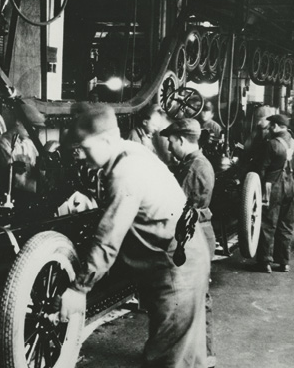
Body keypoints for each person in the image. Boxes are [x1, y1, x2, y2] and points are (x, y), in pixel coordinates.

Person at [59, 102, 210, 367]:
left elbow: (109, 237)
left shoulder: (125, 171)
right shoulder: (131, 152)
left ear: (106, 139)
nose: (81, 155)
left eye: (84, 148)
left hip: (176, 266)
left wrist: (79, 287)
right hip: (178, 256)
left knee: (167, 356)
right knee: (180, 351)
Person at [160, 118, 217, 368]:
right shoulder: (195, 162)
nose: (169, 146)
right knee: (195, 296)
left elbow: (176, 207)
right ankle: (201, 354)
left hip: (192, 235)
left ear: (181, 140)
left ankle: (199, 356)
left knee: (191, 298)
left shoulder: (193, 168)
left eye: (171, 141)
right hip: (197, 231)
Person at [255, 114, 294, 272]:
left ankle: (265, 261)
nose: (270, 128)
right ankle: (284, 262)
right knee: (286, 224)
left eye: (272, 125)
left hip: (270, 187)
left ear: (276, 126)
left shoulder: (271, 144)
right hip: (290, 187)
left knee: (267, 223)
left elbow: (261, 169)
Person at [0, 102, 44, 198]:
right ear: (18, 121)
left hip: (28, 194)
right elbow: (17, 182)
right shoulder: (2, 143)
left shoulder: (29, 143)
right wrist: (42, 189)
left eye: (34, 127)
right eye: (29, 126)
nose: (32, 130)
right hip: (8, 197)